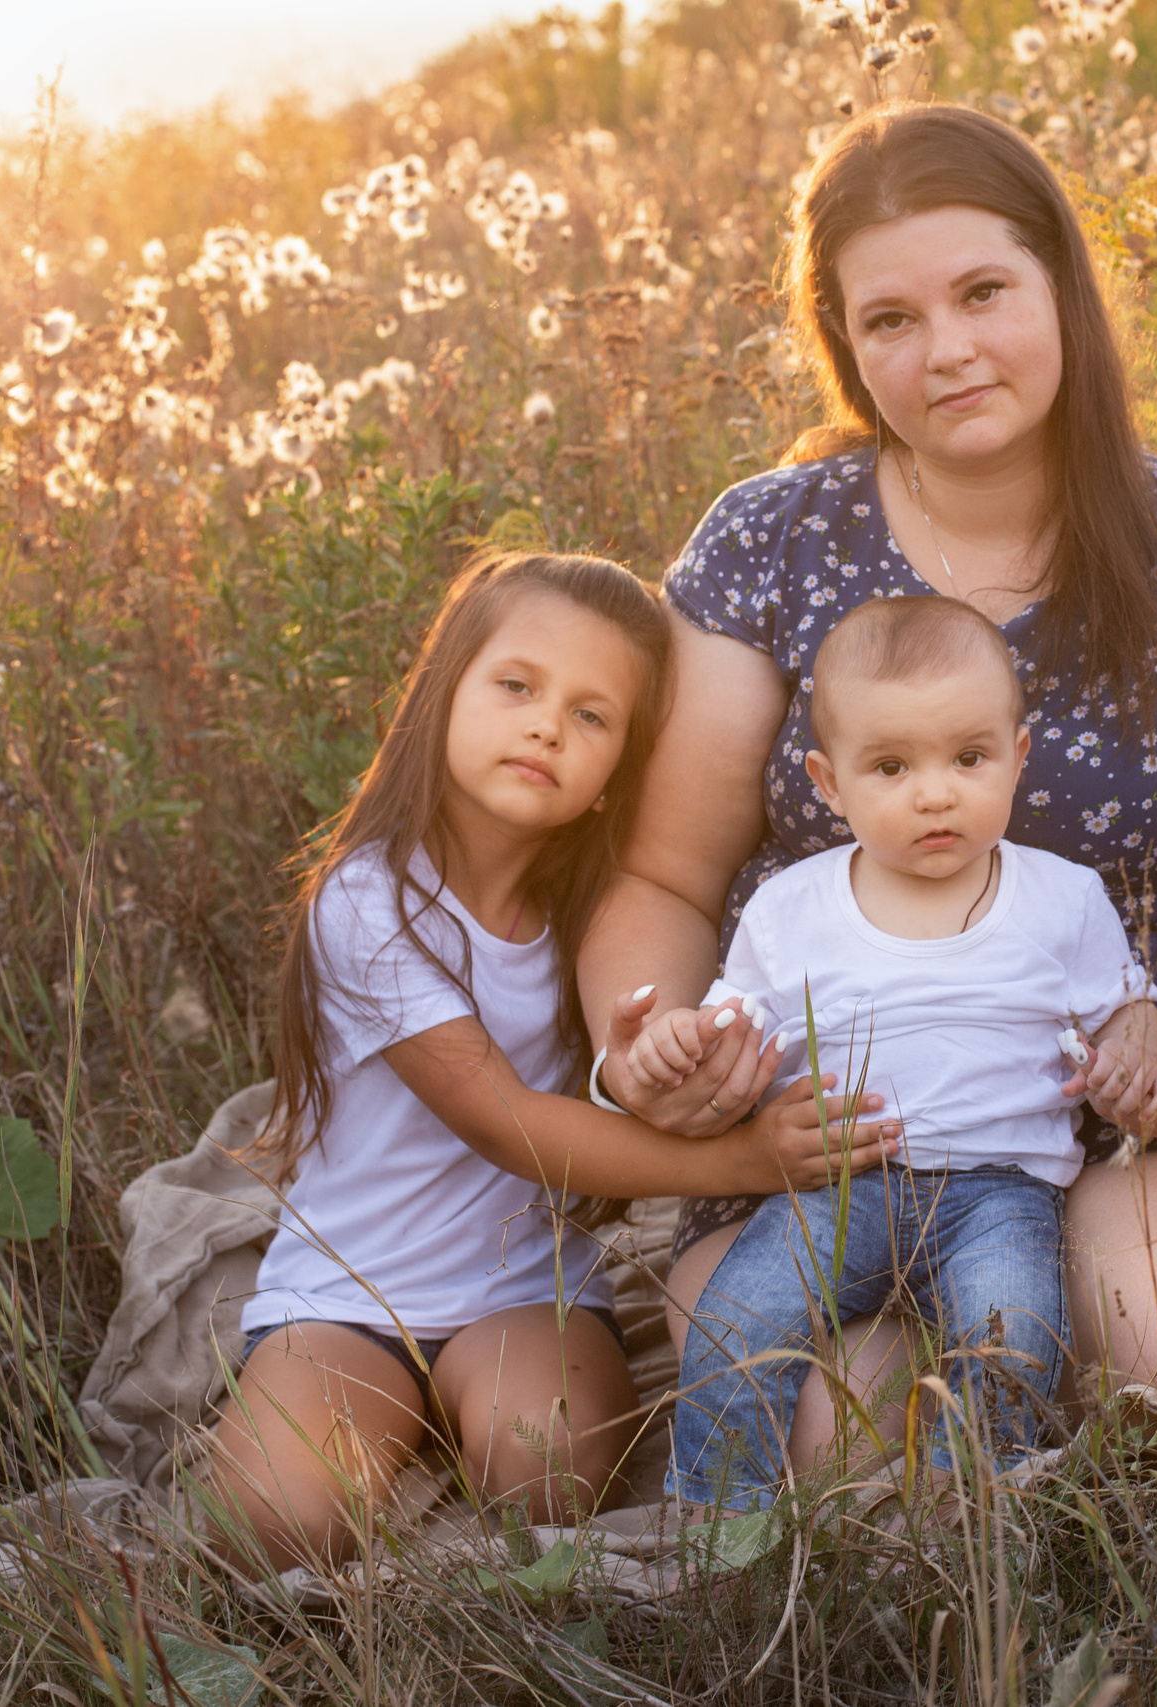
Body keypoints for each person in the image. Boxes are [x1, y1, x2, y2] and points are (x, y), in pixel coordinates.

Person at [576, 102, 1157, 1451]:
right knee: (838, 1440)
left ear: (1061, 284)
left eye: (982, 292)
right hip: (837, 1132)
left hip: (1143, 1110)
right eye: (889, 319)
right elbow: (665, 867)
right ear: (846, 344)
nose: (947, 349)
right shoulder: (772, 545)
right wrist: (650, 1050)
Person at [202, 552, 901, 1572]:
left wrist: (691, 1062)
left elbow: (642, 1061)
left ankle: (455, 1421)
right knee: (271, 1525)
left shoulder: (597, 916)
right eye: (517, 687)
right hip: (352, 1293)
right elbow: (506, 1121)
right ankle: (386, 1412)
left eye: (592, 716)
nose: (545, 727)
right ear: (444, 692)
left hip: (524, 1291)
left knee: (551, 1478)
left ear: (623, 765)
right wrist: (746, 1162)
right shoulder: (370, 899)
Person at [636, 597, 1157, 1508]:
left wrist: (1133, 1045)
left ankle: (975, 1514)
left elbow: (1129, 1009)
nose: (935, 792)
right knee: (739, 1319)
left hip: (1002, 1188)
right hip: (844, 1181)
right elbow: (730, 1027)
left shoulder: (1062, 900)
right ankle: (723, 1523)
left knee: (1012, 1333)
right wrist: (680, 1039)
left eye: (969, 757)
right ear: (829, 782)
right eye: (890, 765)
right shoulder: (792, 911)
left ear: (1018, 755)